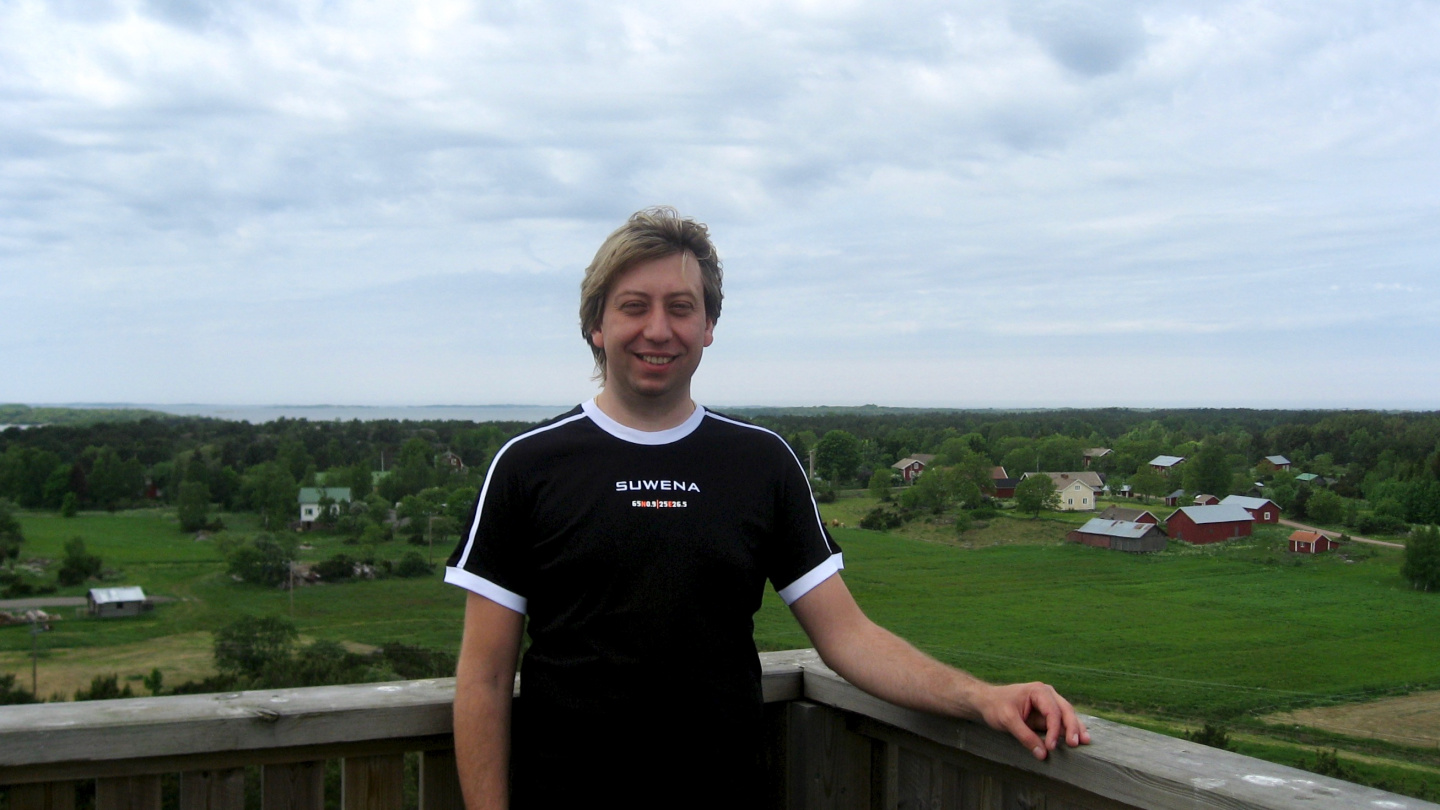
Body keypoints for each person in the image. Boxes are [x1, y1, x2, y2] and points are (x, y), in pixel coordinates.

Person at [446, 207, 1089, 809]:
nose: (658, 329)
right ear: (596, 324)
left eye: (681, 308)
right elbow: (483, 678)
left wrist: (982, 697)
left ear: (709, 326)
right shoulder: (528, 465)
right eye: (633, 307)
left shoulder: (760, 462)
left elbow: (846, 635)